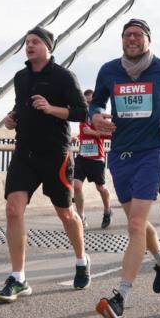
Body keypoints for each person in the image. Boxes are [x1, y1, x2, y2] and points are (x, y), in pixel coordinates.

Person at [90, 19, 160, 318]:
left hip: (152, 152)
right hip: (120, 154)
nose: (132, 38)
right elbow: (95, 103)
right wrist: (96, 116)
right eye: (127, 35)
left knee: (135, 224)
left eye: (138, 34)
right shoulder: (109, 70)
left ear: (148, 40)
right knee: (138, 221)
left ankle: (120, 297)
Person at [0, 27, 89, 301]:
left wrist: (51, 109)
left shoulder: (63, 76)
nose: (30, 46)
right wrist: (11, 119)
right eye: (27, 42)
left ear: (48, 47)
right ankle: (18, 278)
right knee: (13, 210)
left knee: (65, 214)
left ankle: (82, 261)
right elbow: (20, 106)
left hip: (55, 155)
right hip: (25, 152)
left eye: (35, 42)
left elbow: (81, 112)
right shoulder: (21, 77)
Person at [72, 89, 112, 230]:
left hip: (96, 158)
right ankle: (81, 217)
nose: (88, 104)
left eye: (90, 102)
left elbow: (110, 135)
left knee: (100, 188)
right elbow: (84, 131)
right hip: (82, 156)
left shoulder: (100, 116)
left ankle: (107, 211)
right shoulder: (83, 115)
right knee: (76, 186)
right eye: (86, 102)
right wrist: (77, 137)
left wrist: (93, 132)